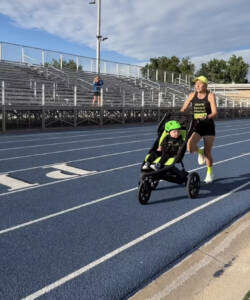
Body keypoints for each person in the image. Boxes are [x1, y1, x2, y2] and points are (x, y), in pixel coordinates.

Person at [180, 75, 217, 183]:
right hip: (196, 125)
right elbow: (184, 108)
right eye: (196, 84)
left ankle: (210, 172)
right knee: (189, 147)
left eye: (200, 84)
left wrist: (206, 116)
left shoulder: (210, 95)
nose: (197, 85)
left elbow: (215, 113)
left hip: (208, 126)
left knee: (208, 153)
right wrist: (180, 114)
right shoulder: (192, 95)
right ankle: (199, 151)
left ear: (205, 85)